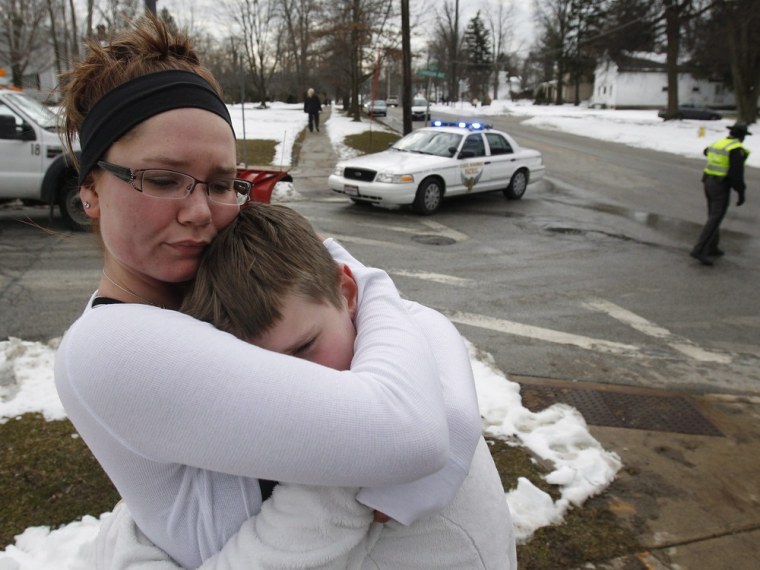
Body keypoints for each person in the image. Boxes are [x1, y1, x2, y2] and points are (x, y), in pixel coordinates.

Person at [52, 15, 487, 569]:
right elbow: (406, 427)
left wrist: (363, 285)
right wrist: (367, 280)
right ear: (89, 190)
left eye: (220, 184)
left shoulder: (209, 288)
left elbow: (428, 324)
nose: (199, 213)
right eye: (161, 179)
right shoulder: (108, 347)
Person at [94, 202, 516, 569]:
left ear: (347, 292)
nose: (298, 384)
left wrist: (127, 542)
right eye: (264, 371)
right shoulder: (407, 354)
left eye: (304, 347)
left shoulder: (365, 452)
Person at [690, 122, 752, 266]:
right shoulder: (736, 150)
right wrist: (741, 192)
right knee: (716, 218)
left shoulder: (719, 143)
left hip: (708, 181)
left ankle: (712, 247)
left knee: (713, 214)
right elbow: (736, 175)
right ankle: (699, 249)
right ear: (742, 136)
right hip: (720, 185)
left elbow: (706, 151)